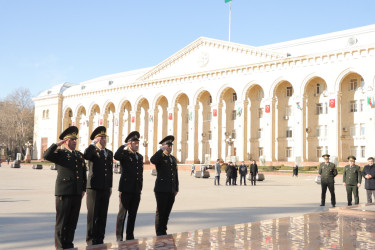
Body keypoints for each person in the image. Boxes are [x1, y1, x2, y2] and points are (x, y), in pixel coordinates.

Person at [43, 126, 87, 250]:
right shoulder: (60, 154)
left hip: (77, 192)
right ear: (66, 141)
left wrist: (83, 188)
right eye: (72, 139)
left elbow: (84, 173)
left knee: (72, 222)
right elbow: (46, 155)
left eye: (75, 139)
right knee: (62, 222)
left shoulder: (79, 155)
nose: (75, 141)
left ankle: (69, 244)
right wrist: (57, 144)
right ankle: (60, 247)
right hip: (64, 192)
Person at [84, 126, 113, 245]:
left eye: (104, 138)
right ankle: (91, 240)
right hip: (93, 187)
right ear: (96, 140)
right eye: (101, 138)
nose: (103, 140)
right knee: (93, 215)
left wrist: (110, 186)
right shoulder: (92, 151)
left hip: (105, 187)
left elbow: (110, 171)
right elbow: (86, 155)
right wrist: (92, 144)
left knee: (102, 215)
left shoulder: (109, 153)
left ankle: (100, 238)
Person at [115, 131, 143, 241]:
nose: (137, 145)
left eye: (137, 143)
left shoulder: (139, 157)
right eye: (134, 143)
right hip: (125, 189)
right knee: (122, 215)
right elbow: (116, 156)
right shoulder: (125, 155)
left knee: (133, 215)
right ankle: (119, 237)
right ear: (130, 144)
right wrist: (123, 146)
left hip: (136, 190)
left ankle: (130, 236)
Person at [150, 135, 179, 236]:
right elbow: (153, 160)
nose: (170, 147)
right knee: (161, 212)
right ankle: (159, 232)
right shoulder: (160, 157)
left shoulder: (173, 159)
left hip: (171, 189)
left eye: (171, 145)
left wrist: (176, 188)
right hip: (161, 189)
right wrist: (160, 150)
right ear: (163, 146)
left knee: (167, 212)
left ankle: (164, 230)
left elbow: (175, 175)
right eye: (168, 145)